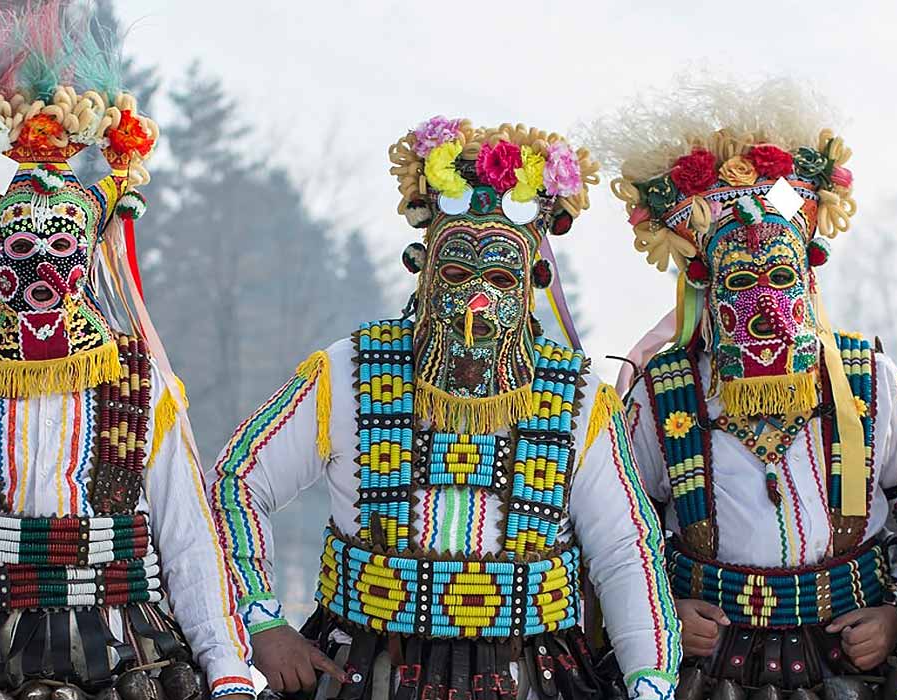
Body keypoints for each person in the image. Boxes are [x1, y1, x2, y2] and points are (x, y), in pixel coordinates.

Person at [0, 5, 251, 700]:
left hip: (123, 657)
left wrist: (227, 666)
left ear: (89, 256)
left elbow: (189, 543)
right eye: (20, 247)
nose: (41, 273)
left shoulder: (140, 385)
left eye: (62, 248)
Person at [208, 116, 681, 700]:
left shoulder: (577, 396)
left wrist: (649, 682)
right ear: (421, 267)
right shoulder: (352, 370)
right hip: (366, 668)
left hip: (529, 674)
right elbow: (237, 480)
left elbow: (625, 548)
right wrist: (263, 623)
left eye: (501, 278)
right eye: (456, 272)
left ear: (532, 282)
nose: (475, 302)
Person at [590, 77, 897, 699]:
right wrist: (664, 611)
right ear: (706, 290)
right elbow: (619, 529)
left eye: (780, 274)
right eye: (739, 279)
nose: (764, 305)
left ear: (808, 280)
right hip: (710, 670)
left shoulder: (868, 379)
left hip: (851, 661)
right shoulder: (662, 392)